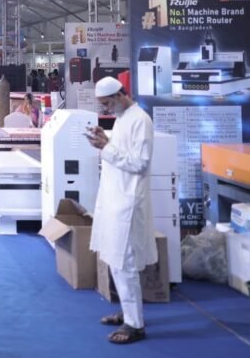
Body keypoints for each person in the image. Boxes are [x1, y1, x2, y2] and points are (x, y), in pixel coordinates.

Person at [86, 77, 157, 346]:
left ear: (119, 95)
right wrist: (105, 140)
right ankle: (129, 313)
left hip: (128, 202)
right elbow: (121, 151)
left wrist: (105, 147)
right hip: (115, 199)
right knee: (116, 259)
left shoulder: (140, 120)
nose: (105, 109)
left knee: (124, 262)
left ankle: (135, 324)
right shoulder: (122, 119)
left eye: (107, 103)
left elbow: (140, 163)